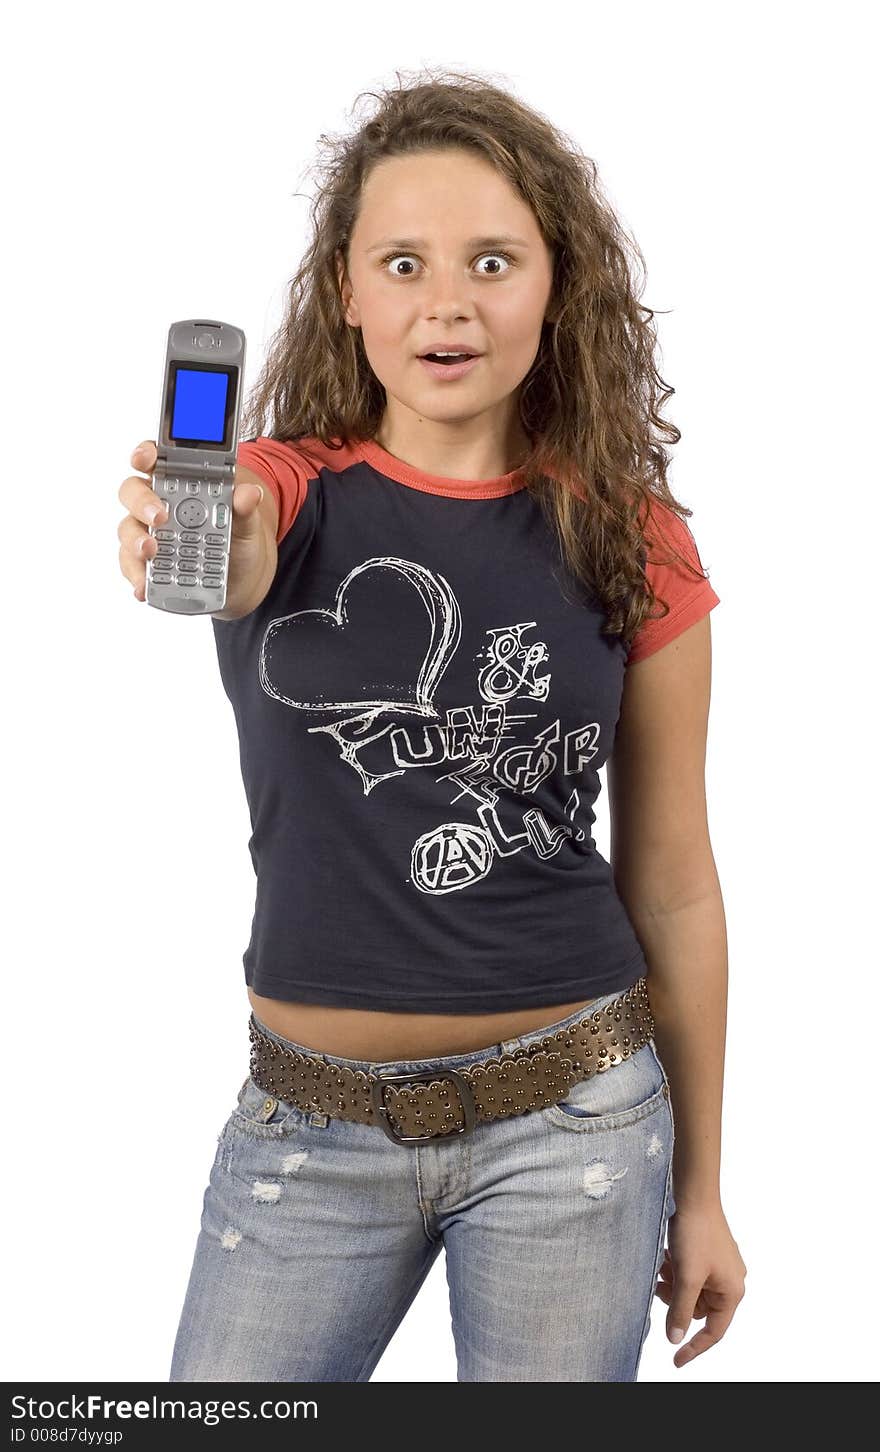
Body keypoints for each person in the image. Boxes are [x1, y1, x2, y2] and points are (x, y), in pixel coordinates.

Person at [117, 70, 746, 1382]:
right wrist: (200, 541)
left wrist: (701, 1189)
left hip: (575, 1118)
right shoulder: (283, 490)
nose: (446, 300)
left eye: (492, 260)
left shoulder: (634, 537)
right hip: (307, 1125)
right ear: (346, 291)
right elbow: (228, 549)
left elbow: (676, 880)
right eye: (402, 262)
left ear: (555, 284)